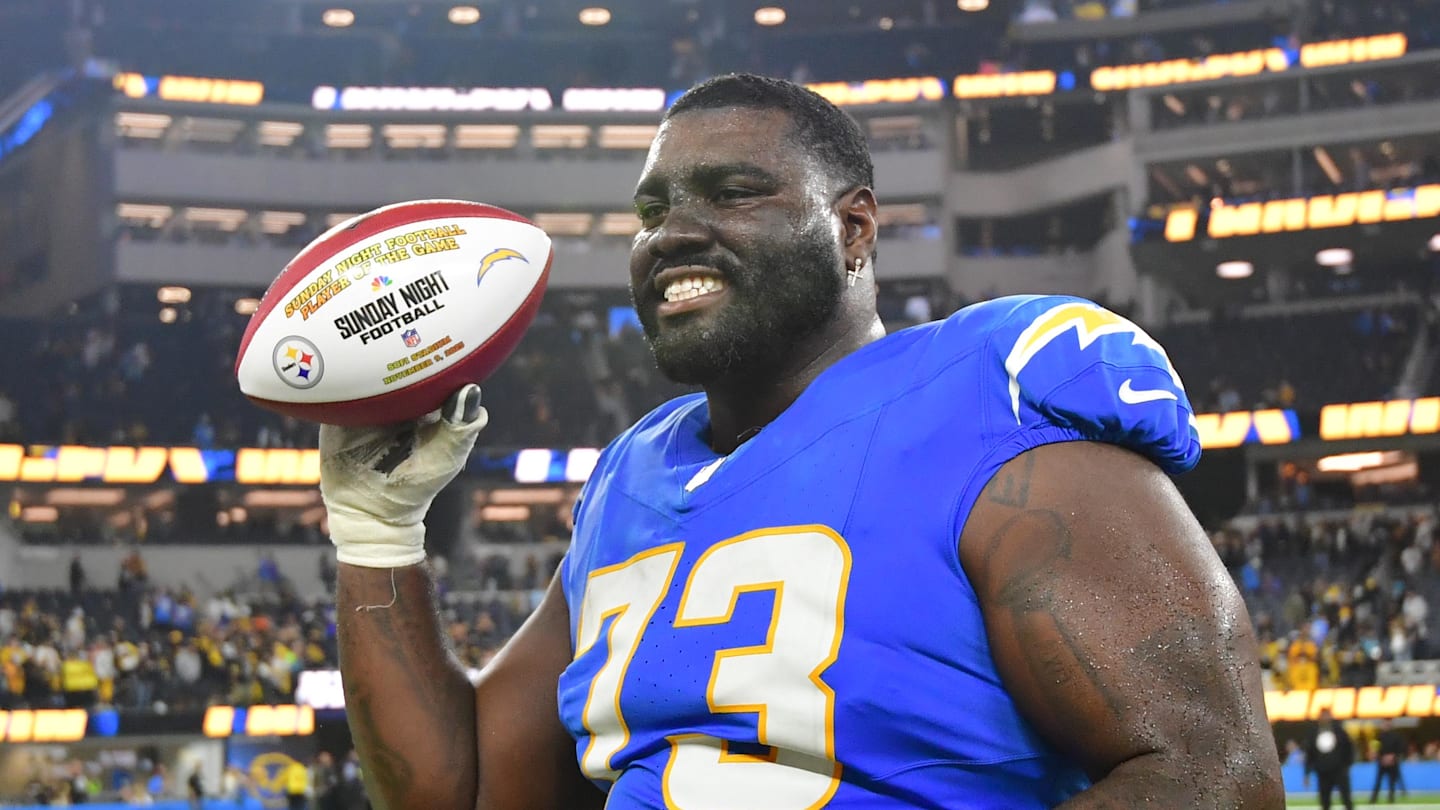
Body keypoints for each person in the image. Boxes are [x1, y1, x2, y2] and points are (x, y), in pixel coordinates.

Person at [320, 74, 1283, 808]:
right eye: (652, 210)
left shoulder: (990, 401)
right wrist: (375, 534)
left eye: (734, 193)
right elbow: (469, 790)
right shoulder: (631, 479)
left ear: (854, 229)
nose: (673, 233)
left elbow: (1212, 778)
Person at [1305, 707, 1355, 810]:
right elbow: (1310, 753)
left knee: (1346, 798)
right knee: (1325, 801)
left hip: (1339, 770)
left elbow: (1349, 747)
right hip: (1323, 772)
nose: (1325, 718)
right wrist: (1307, 773)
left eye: (1327, 715)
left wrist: (1347, 765)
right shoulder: (1314, 732)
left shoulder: (1339, 731)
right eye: (1323, 715)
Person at [1370, 718, 1406, 803]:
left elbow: (1401, 748)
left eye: (1387, 723)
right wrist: (1377, 755)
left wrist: (1392, 756)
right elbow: (1374, 747)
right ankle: (1373, 799)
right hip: (1382, 762)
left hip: (1393, 762)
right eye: (1384, 723)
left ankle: (1391, 799)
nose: (1386, 725)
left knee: (1392, 782)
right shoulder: (1379, 736)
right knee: (1378, 781)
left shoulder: (1396, 736)